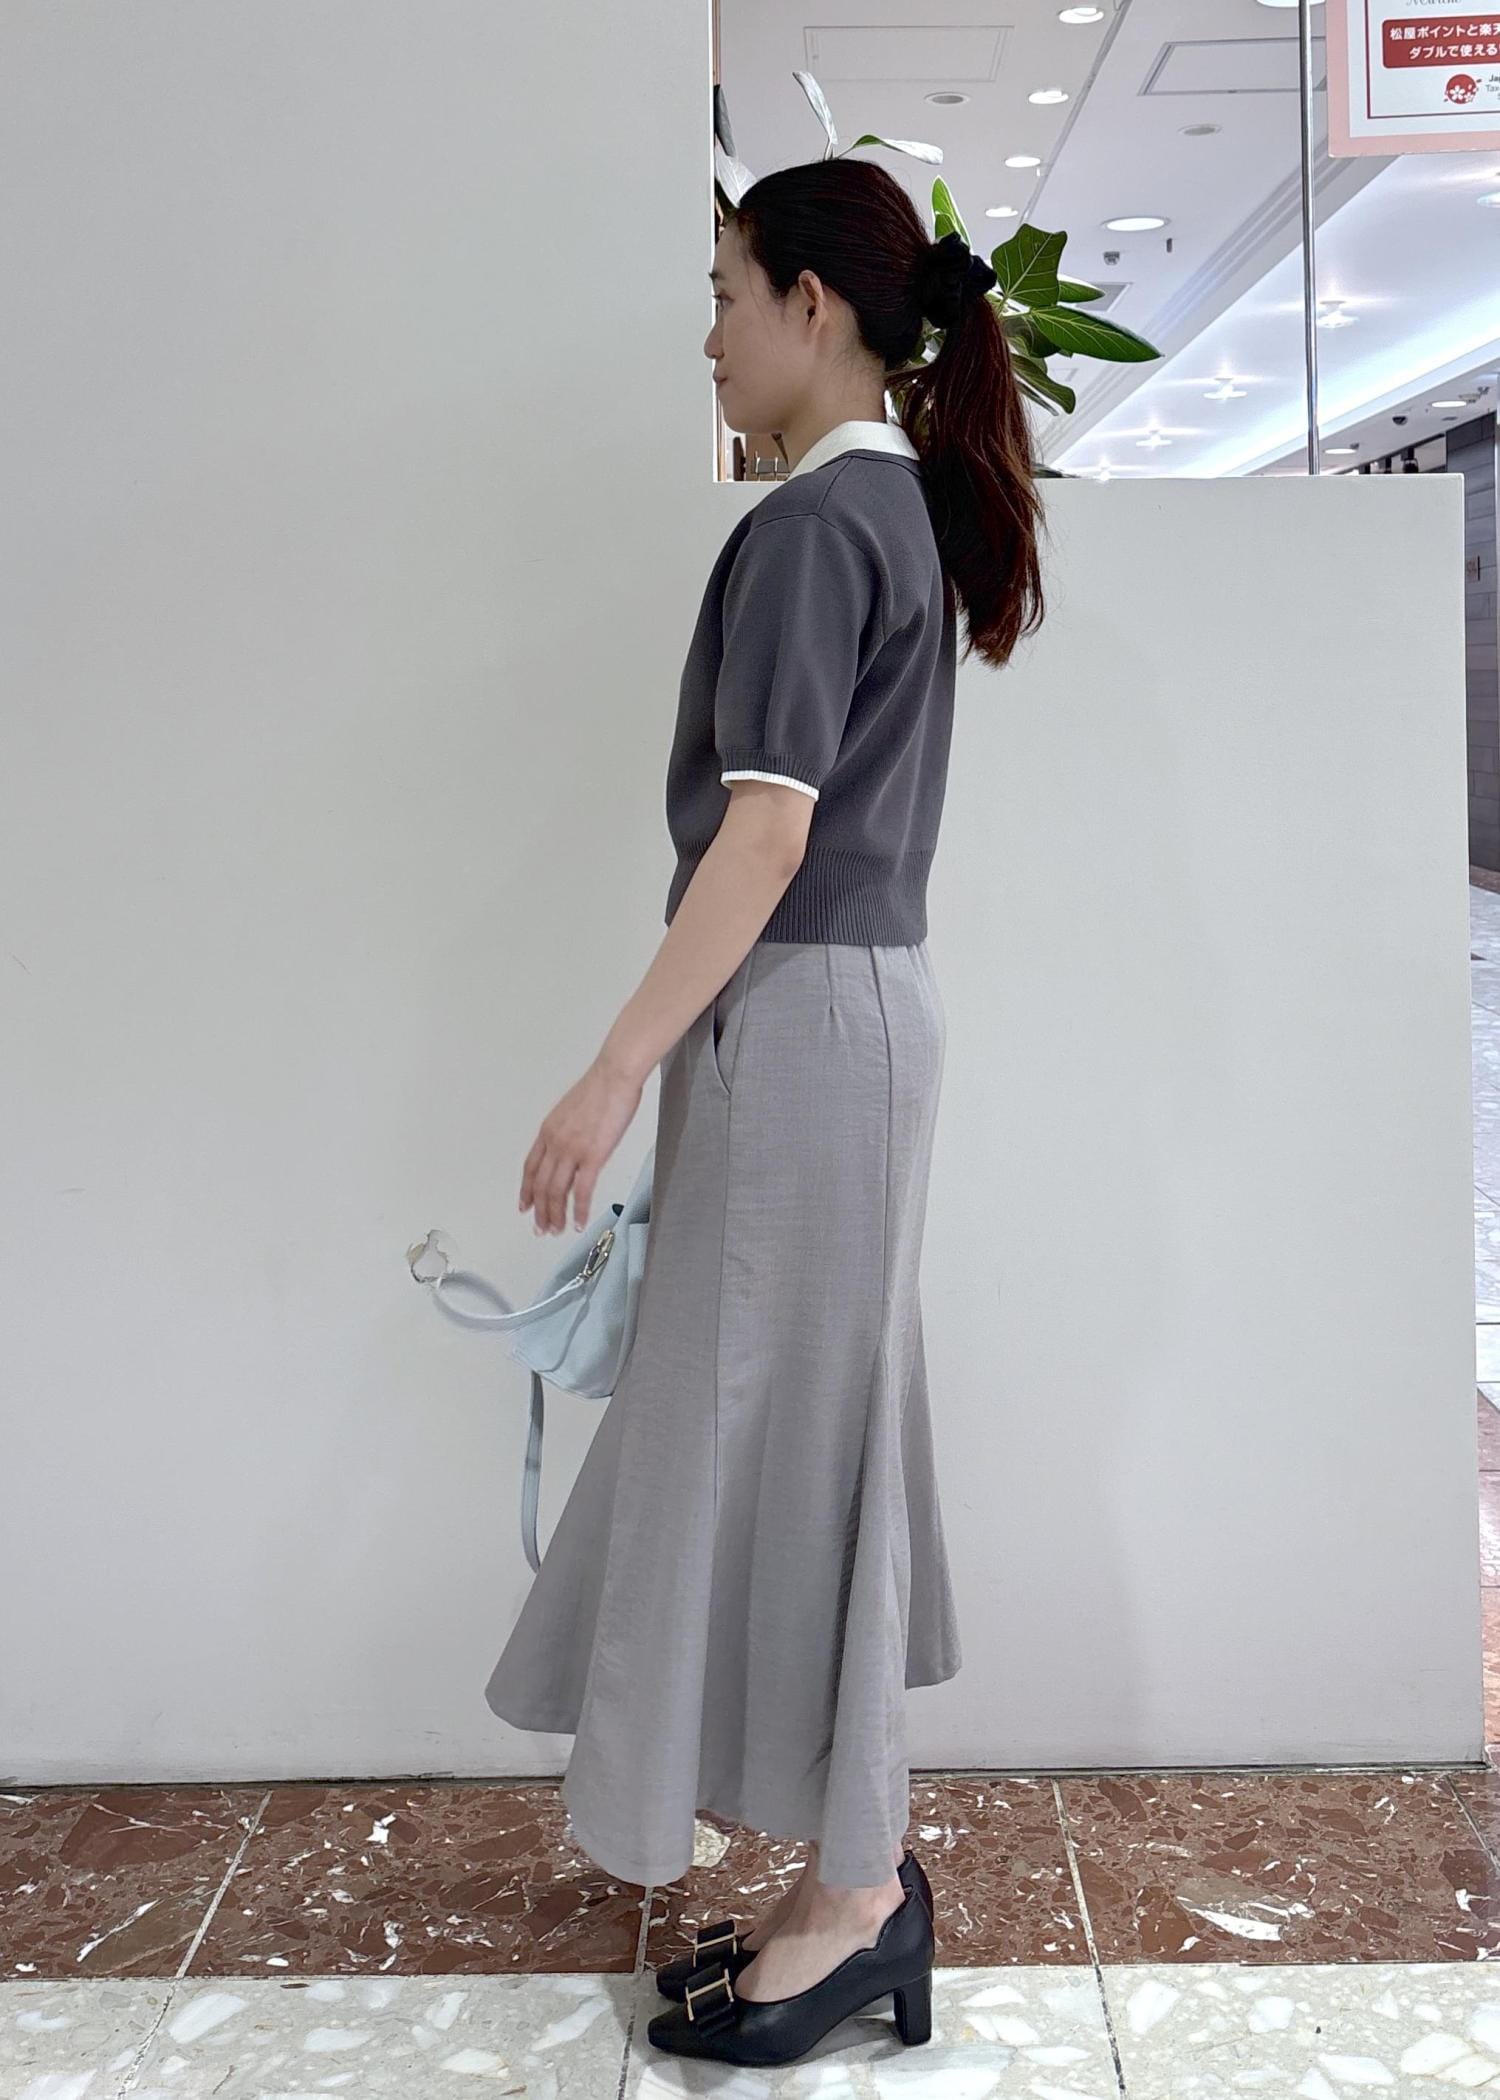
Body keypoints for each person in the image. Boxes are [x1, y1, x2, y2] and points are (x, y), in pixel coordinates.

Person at [487, 153, 1046, 2067]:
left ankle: (858, 1897)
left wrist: (614, 1064)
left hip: (804, 1017)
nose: (710, 336)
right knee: (809, 1446)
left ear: (815, 305)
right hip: (834, 1020)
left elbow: (768, 833)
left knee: (802, 1452)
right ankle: (851, 1875)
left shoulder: (820, 526)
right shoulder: (881, 510)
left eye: (727, 294)